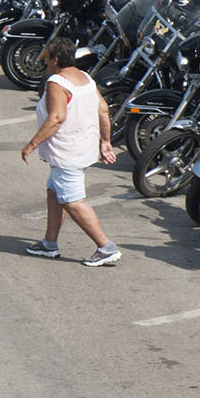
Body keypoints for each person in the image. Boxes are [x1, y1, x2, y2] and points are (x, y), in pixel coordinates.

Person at [20, 36, 119, 265]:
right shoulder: (85, 78)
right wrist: (106, 141)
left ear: (55, 60)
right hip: (83, 148)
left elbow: (56, 117)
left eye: (47, 57)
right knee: (54, 192)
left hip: (67, 153)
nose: (45, 61)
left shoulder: (57, 82)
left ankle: (106, 247)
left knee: (73, 201)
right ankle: (49, 243)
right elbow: (103, 109)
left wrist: (31, 145)